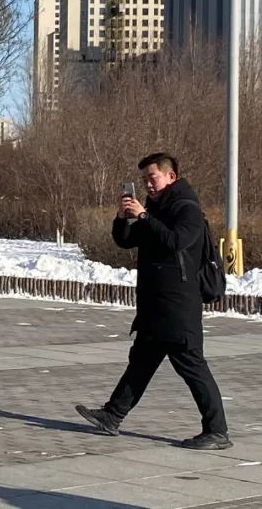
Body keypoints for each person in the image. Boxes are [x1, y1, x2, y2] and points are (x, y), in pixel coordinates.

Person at [75, 152, 231, 450]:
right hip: (155, 305)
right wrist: (123, 219)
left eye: (152, 177)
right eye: (144, 179)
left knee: (192, 365)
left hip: (178, 306)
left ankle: (217, 430)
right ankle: (112, 415)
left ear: (170, 176)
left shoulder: (187, 208)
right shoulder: (157, 207)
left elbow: (176, 242)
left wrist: (145, 217)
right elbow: (126, 241)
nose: (147, 184)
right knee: (142, 361)